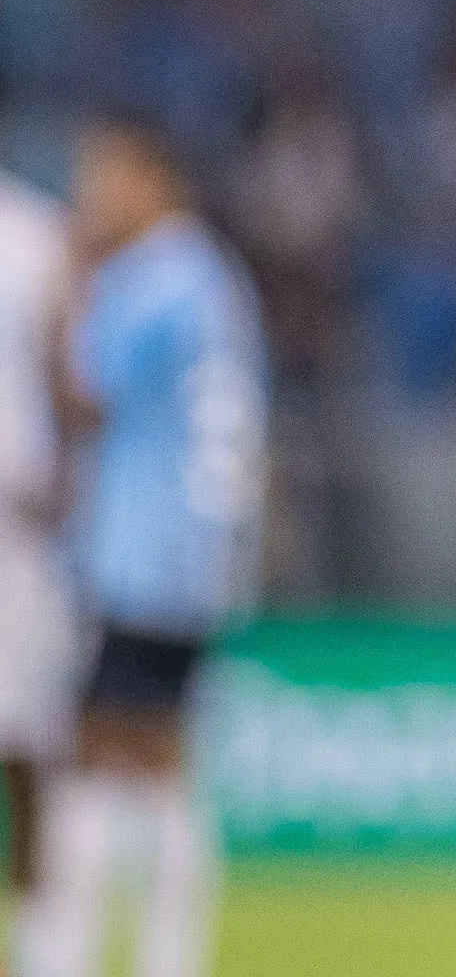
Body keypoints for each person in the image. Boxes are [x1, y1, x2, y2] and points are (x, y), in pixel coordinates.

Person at [15, 119, 267, 977]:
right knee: (158, 764)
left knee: (98, 756)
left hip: (142, 553)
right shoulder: (213, 276)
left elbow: (84, 397)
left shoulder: (152, 277)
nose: (92, 197)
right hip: (195, 552)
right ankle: (163, 955)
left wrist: (65, 293)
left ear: (154, 178)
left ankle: (76, 956)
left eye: (106, 176)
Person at [0, 171, 74, 961]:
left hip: (16, 521)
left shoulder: (34, 235)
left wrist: (67, 476)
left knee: (29, 742)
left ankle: (40, 942)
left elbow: (70, 372)